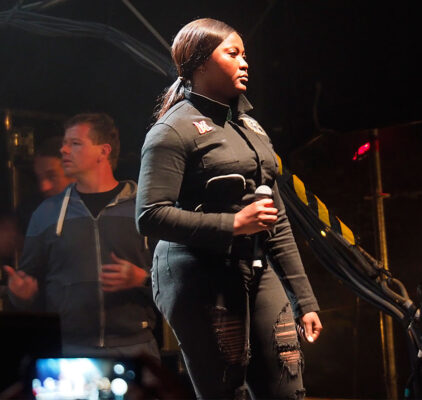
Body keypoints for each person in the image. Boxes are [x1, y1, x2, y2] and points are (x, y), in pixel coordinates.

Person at [136, 18, 323, 399]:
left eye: (245, 54)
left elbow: (278, 217)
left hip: (255, 268)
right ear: (201, 63)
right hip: (198, 276)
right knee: (226, 390)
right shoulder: (173, 131)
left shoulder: (250, 127)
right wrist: (233, 223)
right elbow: (150, 214)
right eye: (232, 53)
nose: (244, 62)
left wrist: (303, 299)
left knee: (288, 387)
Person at [3, 113, 159, 361]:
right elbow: (28, 292)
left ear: (103, 151)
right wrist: (20, 295)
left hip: (135, 348)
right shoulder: (46, 214)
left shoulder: (144, 209)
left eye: (75, 143)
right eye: (65, 143)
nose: (64, 149)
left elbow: (175, 283)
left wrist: (142, 279)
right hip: (68, 352)